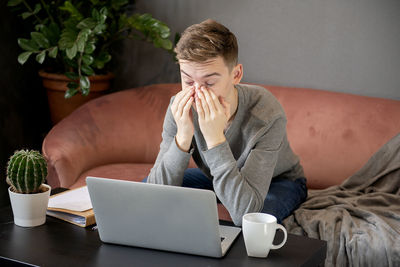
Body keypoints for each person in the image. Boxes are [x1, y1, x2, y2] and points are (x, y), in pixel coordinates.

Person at [146, 19, 307, 226]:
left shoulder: (266, 112)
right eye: (187, 81)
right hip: (218, 176)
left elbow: (244, 212)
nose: (197, 92)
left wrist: (215, 139)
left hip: (279, 181)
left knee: (252, 221)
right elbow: (152, 195)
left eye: (210, 82)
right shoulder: (179, 107)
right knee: (145, 191)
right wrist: (183, 136)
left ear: (236, 74)